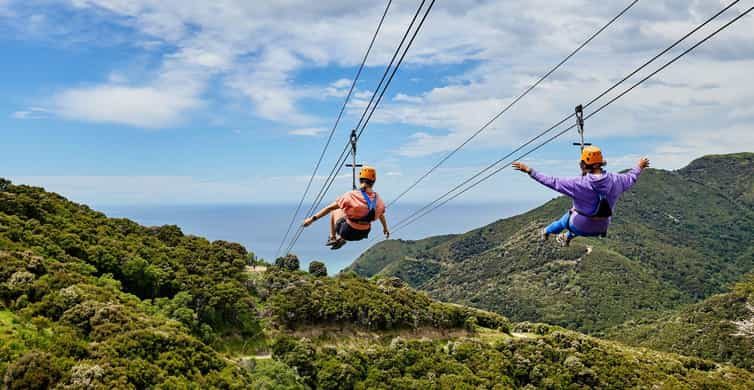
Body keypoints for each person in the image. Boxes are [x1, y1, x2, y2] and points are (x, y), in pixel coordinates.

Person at [512, 146, 650, 246]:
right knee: (585, 219)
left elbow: (552, 182)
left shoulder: (578, 183)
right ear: (601, 162)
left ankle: (546, 232)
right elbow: (632, 176)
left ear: (583, 164)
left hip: (580, 225)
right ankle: (567, 237)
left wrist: (530, 171)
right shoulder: (617, 180)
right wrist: (640, 166)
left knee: (565, 220)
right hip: (602, 227)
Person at [303, 166, 389, 250]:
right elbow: (381, 215)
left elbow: (329, 208)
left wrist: (311, 219)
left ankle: (333, 238)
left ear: (360, 180)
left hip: (347, 232)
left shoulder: (351, 195)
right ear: (374, 181)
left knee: (336, 210)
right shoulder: (378, 199)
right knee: (350, 213)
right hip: (363, 233)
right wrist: (385, 228)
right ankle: (341, 238)